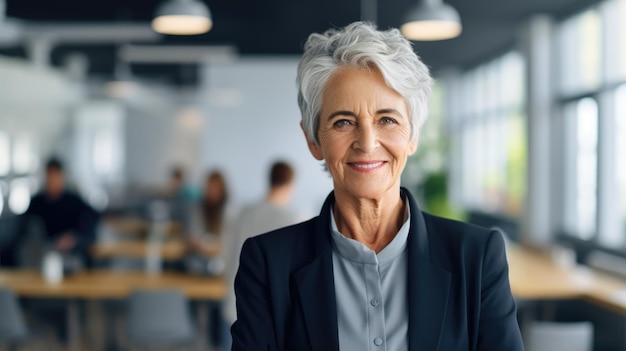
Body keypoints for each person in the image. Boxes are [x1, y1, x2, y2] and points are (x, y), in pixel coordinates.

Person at [231, 22, 524, 350]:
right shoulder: (267, 263)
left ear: (412, 136)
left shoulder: (477, 257)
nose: (367, 143)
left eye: (387, 119)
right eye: (343, 122)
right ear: (313, 140)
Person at [222, 161, 304, 329]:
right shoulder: (295, 219)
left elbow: (226, 253)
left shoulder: (244, 213)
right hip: (273, 313)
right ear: (291, 184)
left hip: (237, 304)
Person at [23, 157, 99, 268]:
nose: (53, 180)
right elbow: (25, 231)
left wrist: (74, 238)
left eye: (56, 176)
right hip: (43, 257)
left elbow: (92, 220)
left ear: (62, 177)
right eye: (50, 176)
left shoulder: (74, 201)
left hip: (72, 256)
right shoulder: (37, 203)